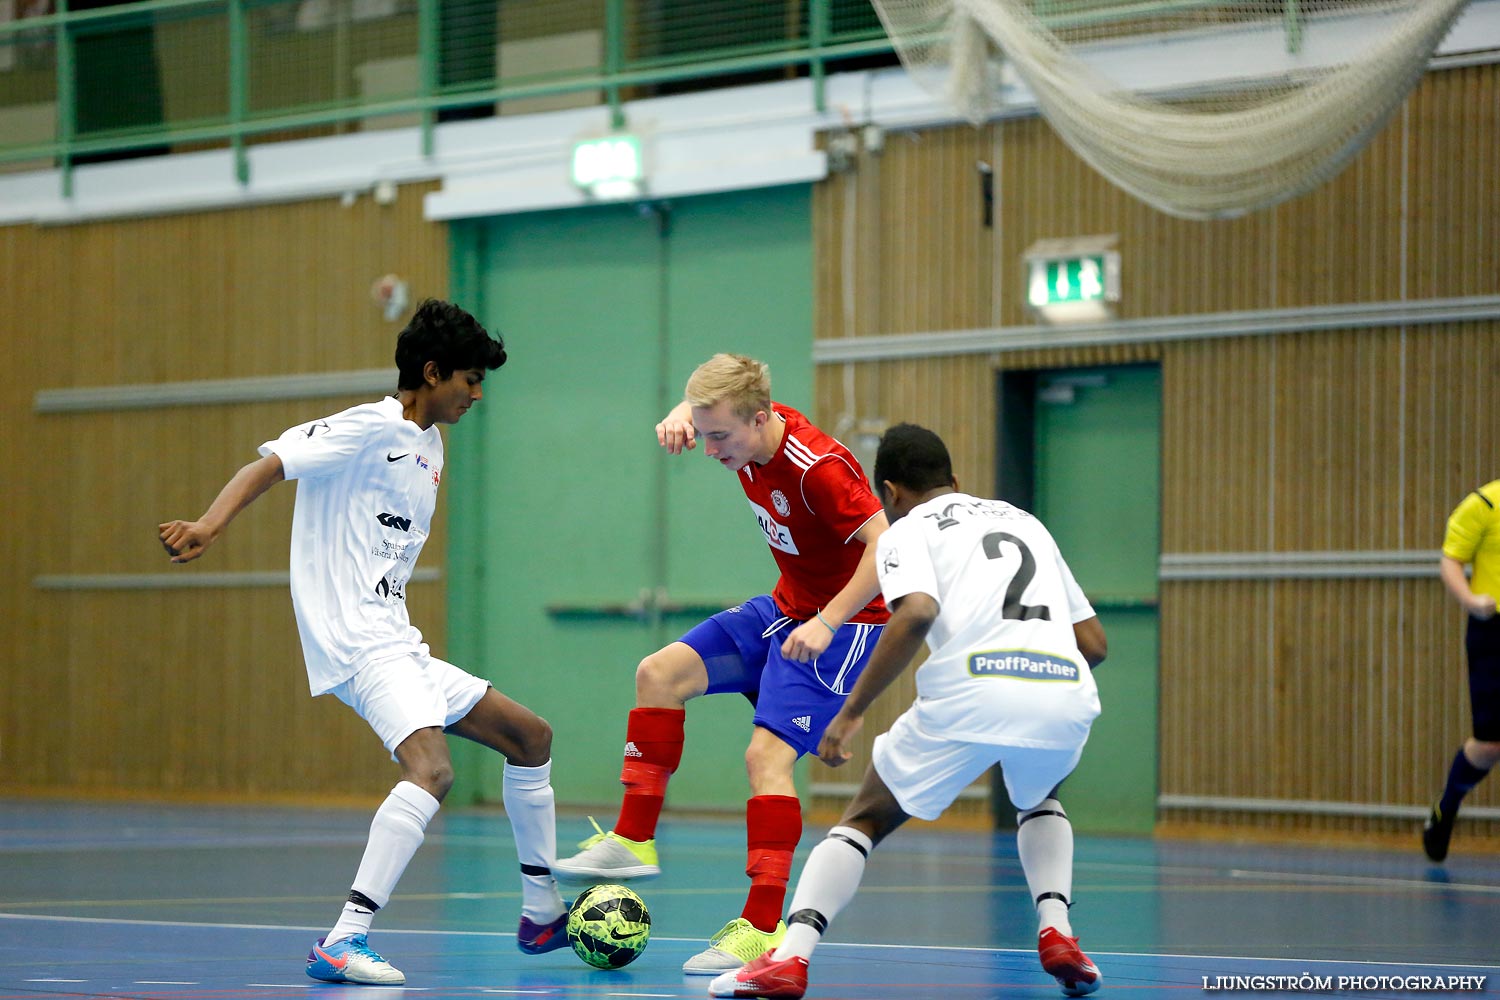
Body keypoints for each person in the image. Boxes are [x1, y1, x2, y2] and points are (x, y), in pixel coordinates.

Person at [157, 300, 568, 985]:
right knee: (431, 771)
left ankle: (541, 912)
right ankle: (344, 939)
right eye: (469, 378)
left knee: (531, 737)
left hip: (396, 642)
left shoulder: (431, 446)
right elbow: (270, 465)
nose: (476, 393)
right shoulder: (366, 426)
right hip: (356, 640)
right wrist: (208, 524)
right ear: (431, 373)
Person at [710, 422, 1108, 1000]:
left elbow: (916, 612)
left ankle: (790, 959)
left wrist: (850, 712)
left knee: (864, 820)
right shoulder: (1024, 522)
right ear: (955, 480)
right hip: (1066, 691)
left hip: (972, 686)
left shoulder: (905, 529)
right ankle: (1059, 931)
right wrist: (1033, 689)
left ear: (890, 491)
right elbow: (1093, 644)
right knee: (1039, 799)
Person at [552, 353, 890, 974]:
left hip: (843, 625)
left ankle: (762, 928)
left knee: (764, 759)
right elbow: (731, 375)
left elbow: (886, 546)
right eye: (703, 435)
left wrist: (828, 621)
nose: (709, 451)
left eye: (719, 437)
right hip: (785, 607)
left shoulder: (818, 471)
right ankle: (632, 840)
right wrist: (683, 412)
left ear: (760, 420)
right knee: (659, 673)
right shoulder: (751, 425)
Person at [1422, 479, 1500, 862]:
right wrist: (1471, 600)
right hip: (1493, 631)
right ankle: (1446, 808)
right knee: (1489, 745)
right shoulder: (1485, 504)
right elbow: (1451, 559)